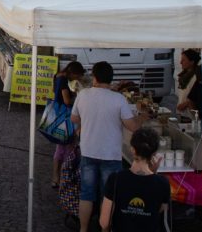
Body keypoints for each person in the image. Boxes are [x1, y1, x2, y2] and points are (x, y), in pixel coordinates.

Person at [71, 61, 144, 232]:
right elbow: (132, 126)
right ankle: (106, 229)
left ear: (94, 77)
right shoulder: (118, 99)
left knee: (86, 193)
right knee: (108, 195)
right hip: (110, 154)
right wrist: (142, 118)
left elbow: (74, 118)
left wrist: (87, 120)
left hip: (88, 150)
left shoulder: (83, 94)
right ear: (111, 80)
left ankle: (83, 229)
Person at [99, 128, 170, 232]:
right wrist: (154, 174)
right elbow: (158, 210)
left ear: (132, 149)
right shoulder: (163, 183)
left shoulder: (115, 179)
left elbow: (104, 223)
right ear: (154, 153)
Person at [51, 61, 87, 188]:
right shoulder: (63, 80)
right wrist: (80, 97)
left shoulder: (58, 76)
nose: (77, 78)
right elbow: (66, 100)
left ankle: (57, 178)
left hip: (59, 116)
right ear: (72, 73)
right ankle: (62, 178)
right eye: (77, 76)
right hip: (65, 117)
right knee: (68, 147)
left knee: (60, 147)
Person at [176, 49, 202, 118]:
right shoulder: (184, 76)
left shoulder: (196, 77)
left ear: (192, 62)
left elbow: (194, 96)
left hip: (192, 116)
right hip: (183, 114)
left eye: (184, 60)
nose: (180, 62)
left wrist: (185, 104)